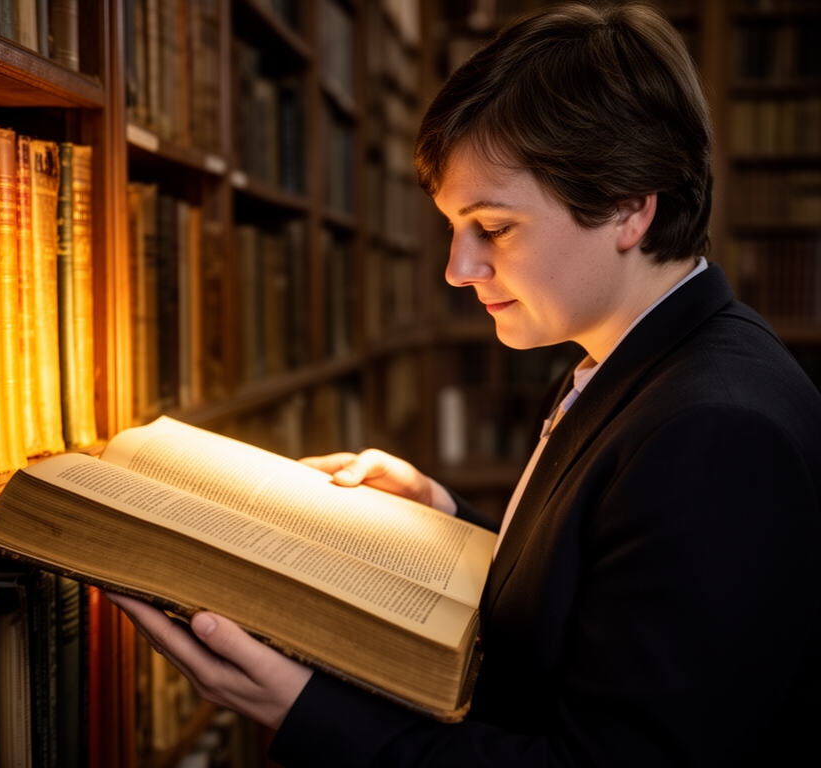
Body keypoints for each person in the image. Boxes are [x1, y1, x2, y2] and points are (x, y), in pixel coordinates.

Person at [107, 3, 821, 765]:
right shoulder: (643, 359)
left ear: (628, 206)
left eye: (496, 227)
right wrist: (446, 518)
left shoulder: (714, 436)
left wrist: (301, 709)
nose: (458, 269)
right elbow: (608, 586)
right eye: (455, 226)